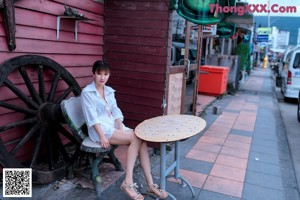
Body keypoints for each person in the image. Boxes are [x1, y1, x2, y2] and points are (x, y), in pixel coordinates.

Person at [81, 60, 168, 200]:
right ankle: (127, 182)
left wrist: (119, 122)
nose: (102, 77)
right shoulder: (87, 93)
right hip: (100, 131)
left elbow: (115, 110)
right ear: (93, 74)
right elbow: (92, 118)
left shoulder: (108, 91)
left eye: (106, 74)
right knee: (135, 138)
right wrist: (102, 137)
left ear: (109, 75)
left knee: (142, 140)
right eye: (99, 74)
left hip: (112, 126)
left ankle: (150, 185)